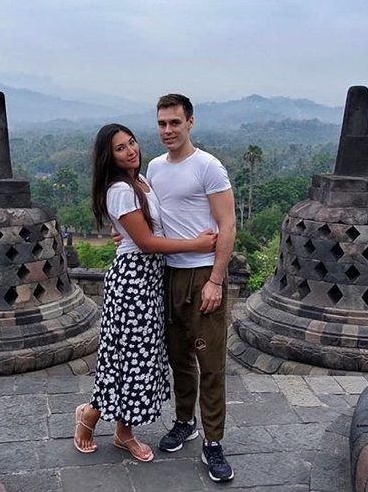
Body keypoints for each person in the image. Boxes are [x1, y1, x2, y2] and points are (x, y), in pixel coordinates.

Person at [74, 123, 216, 463]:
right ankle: (89, 417)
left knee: (141, 359)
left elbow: (146, 227)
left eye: (132, 142)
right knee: (128, 359)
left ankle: (123, 432)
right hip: (132, 283)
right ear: (110, 157)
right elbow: (148, 242)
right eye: (120, 148)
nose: (130, 150)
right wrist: (196, 245)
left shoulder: (141, 181)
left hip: (151, 281)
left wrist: (121, 230)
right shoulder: (121, 189)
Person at [149, 93, 236, 482]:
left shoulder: (208, 167)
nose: (168, 130)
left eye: (175, 123)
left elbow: (228, 225)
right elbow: (152, 220)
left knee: (211, 363)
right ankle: (185, 421)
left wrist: (216, 280)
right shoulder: (153, 168)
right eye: (162, 124)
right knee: (178, 357)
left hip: (202, 274)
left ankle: (213, 442)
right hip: (167, 273)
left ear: (190, 123)